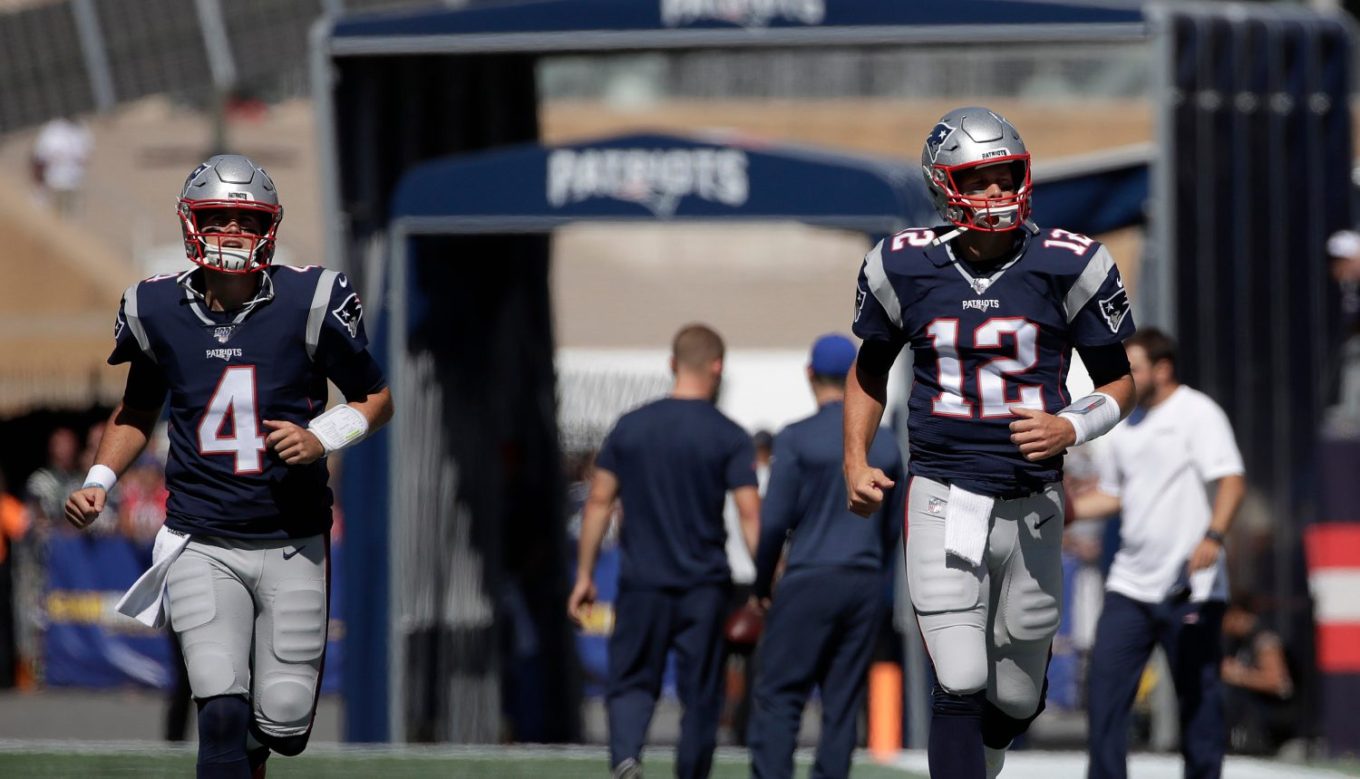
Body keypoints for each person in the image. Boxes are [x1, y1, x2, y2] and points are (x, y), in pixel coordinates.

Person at [63, 154, 393, 779]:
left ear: (269, 226)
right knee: (217, 707)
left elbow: (377, 399)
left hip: (293, 537)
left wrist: (320, 436)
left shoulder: (311, 300)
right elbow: (136, 409)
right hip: (200, 538)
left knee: (283, 722)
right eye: (218, 218)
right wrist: (97, 483)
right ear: (192, 223)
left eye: (246, 220)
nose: (232, 233)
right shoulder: (155, 308)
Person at [843, 106, 1137, 779]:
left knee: (1014, 695)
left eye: (1007, 176)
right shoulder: (902, 265)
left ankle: (988, 756)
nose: (998, 192)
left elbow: (1119, 382)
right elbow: (870, 371)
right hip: (944, 493)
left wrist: (1072, 424)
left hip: (1033, 502)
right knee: (962, 675)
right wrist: (855, 458)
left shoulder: (1071, 263)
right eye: (980, 180)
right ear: (945, 186)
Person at [568, 323, 761, 779]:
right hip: (704, 587)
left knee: (632, 680)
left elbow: (598, 502)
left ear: (673, 364)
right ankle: (691, 772)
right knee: (701, 694)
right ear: (717, 367)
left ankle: (626, 757)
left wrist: (584, 575)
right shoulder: (728, 435)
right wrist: (770, 578)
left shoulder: (631, 427)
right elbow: (750, 514)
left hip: (642, 582)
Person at [1071, 327, 1245, 779]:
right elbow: (1113, 496)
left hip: (1191, 587)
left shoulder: (1198, 413)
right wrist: (1063, 508)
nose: (1123, 377)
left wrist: (1214, 537)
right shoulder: (1124, 426)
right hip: (1129, 584)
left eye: (1133, 368)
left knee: (1198, 700)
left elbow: (1231, 480)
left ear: (1162, 370)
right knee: (1105, 696)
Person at [747, 333, 904, 779]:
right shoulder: (888, 443)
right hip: (865, 580)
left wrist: (762, 585)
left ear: (810, 375)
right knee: (842, 701)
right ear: (857, 376)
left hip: (809, 576)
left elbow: (774, 520)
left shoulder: (796, 438)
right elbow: (896, 526)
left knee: (781, 695)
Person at [31, 116, 92, 216]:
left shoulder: (81, 131)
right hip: (54, 184)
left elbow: (85, 157)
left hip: (73, 183)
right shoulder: (53, 131)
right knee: (56, 214)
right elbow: (39, 160)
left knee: (71, 215)